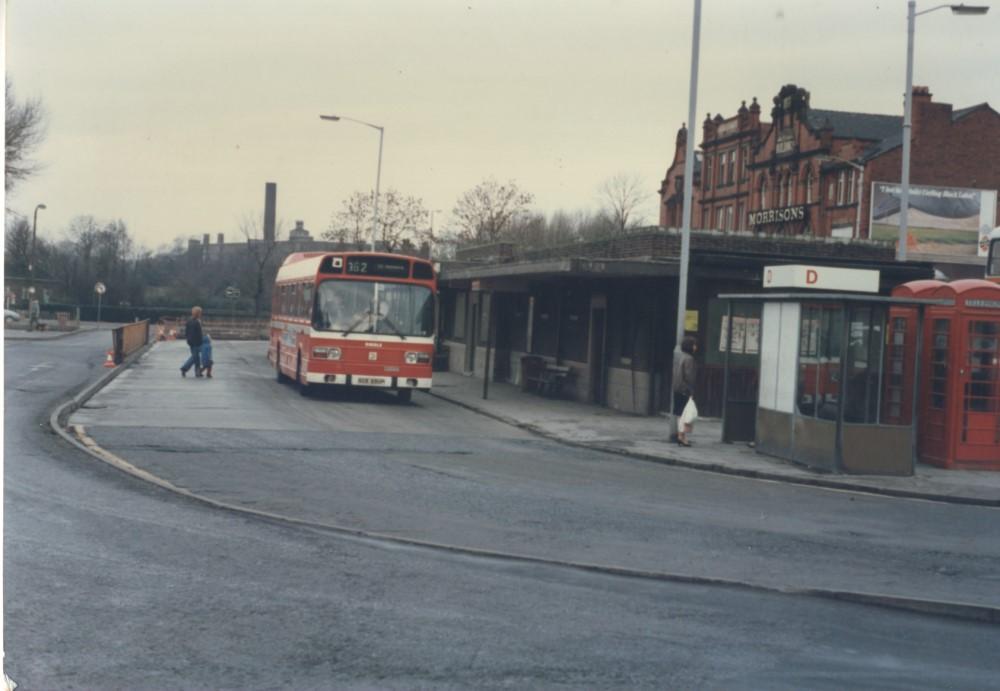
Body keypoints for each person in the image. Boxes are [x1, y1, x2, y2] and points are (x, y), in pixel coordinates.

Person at [672, 335, 698, 446]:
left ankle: (680, 435)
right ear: (690, 346)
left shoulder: (679, 357)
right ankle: (682, 437)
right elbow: (689, 376)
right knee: (684, 414)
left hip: (677, 388)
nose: (696, 347)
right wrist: (691, 391)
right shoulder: (689, 359)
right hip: (685, 389)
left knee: (679, 414)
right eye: (694, 345)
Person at [180, 306, 204, 377]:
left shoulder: (189, 321)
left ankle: (197, 372)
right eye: (200, 313)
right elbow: (199, 333)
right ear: (198, 313)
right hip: (197, 342)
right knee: (195, 357)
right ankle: (184, 368)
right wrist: (201, 341)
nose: (201, 314)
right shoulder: (197, 322)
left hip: (190, 342)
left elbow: (186, 332)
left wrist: (188, 339)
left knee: (196, 357)